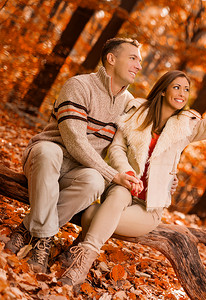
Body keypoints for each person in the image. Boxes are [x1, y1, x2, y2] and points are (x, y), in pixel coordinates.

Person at [57, 70, 206, 286]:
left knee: (92, 214)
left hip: (149, 207)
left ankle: (78, 252)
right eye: (176, 87)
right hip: (124, 190)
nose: (182, 93)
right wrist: (127, 173)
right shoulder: (135, 112)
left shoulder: (186, 126)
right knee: (118, 193)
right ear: (164, 90)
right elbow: (117, 149)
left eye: (186, 90)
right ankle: (81, 265)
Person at [5, 37, 144, 273]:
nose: (138, 66)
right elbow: (75, 141)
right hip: (44, 160)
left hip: (78, 173)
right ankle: (44, 240)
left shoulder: (129, 104)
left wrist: (165, 176)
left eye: (140, 61)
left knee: (94, 181)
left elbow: (133, 147)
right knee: (50, 152)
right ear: (111, 58)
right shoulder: (79, 86)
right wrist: (112, 174)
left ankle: (29, 231)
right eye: (133, 58)